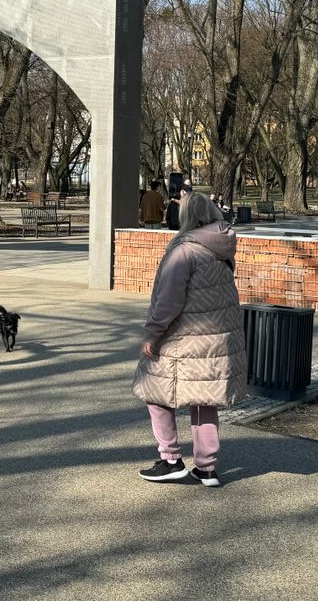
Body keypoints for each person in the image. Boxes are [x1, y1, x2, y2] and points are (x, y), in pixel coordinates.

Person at [132, 192, 246, 487]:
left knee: (154, 392)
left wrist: (153, 334)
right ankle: (207, 468)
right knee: (204, 400)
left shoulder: (184, 250)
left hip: (183, 338)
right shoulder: (221, 247)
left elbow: (168, 300)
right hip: (215, 340)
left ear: (186, 216)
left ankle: (170, 459)